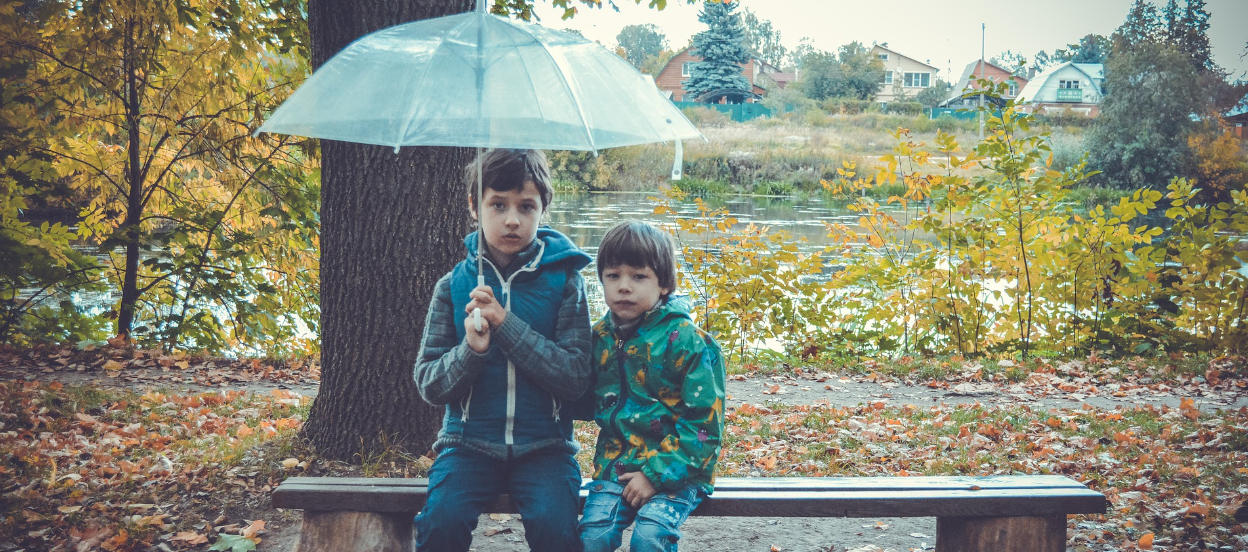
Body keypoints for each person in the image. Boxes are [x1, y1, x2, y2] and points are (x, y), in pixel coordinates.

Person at [413, 148, 592, 552]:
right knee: (441, 523)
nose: (512, 219)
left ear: (543, 209)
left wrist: (504, 324)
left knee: (556, 529)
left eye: (526, 206)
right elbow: (429, 383)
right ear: (474, 208)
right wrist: (470, 352)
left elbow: (575, 378)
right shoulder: (454, 287)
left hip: (546, 447)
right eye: (497, 204)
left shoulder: (564, 283)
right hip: (467, 445)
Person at [578, 221, 726, 552]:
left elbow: (705, 428)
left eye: (638, 276)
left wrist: (655, 475)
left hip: (679, 470)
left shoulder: (690, 343)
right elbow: (583, 400)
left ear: (663, 285)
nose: (624, 287)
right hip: (617, 466)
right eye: (613, 276)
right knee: (593, 537)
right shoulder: (599, 338)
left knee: (649, 537)